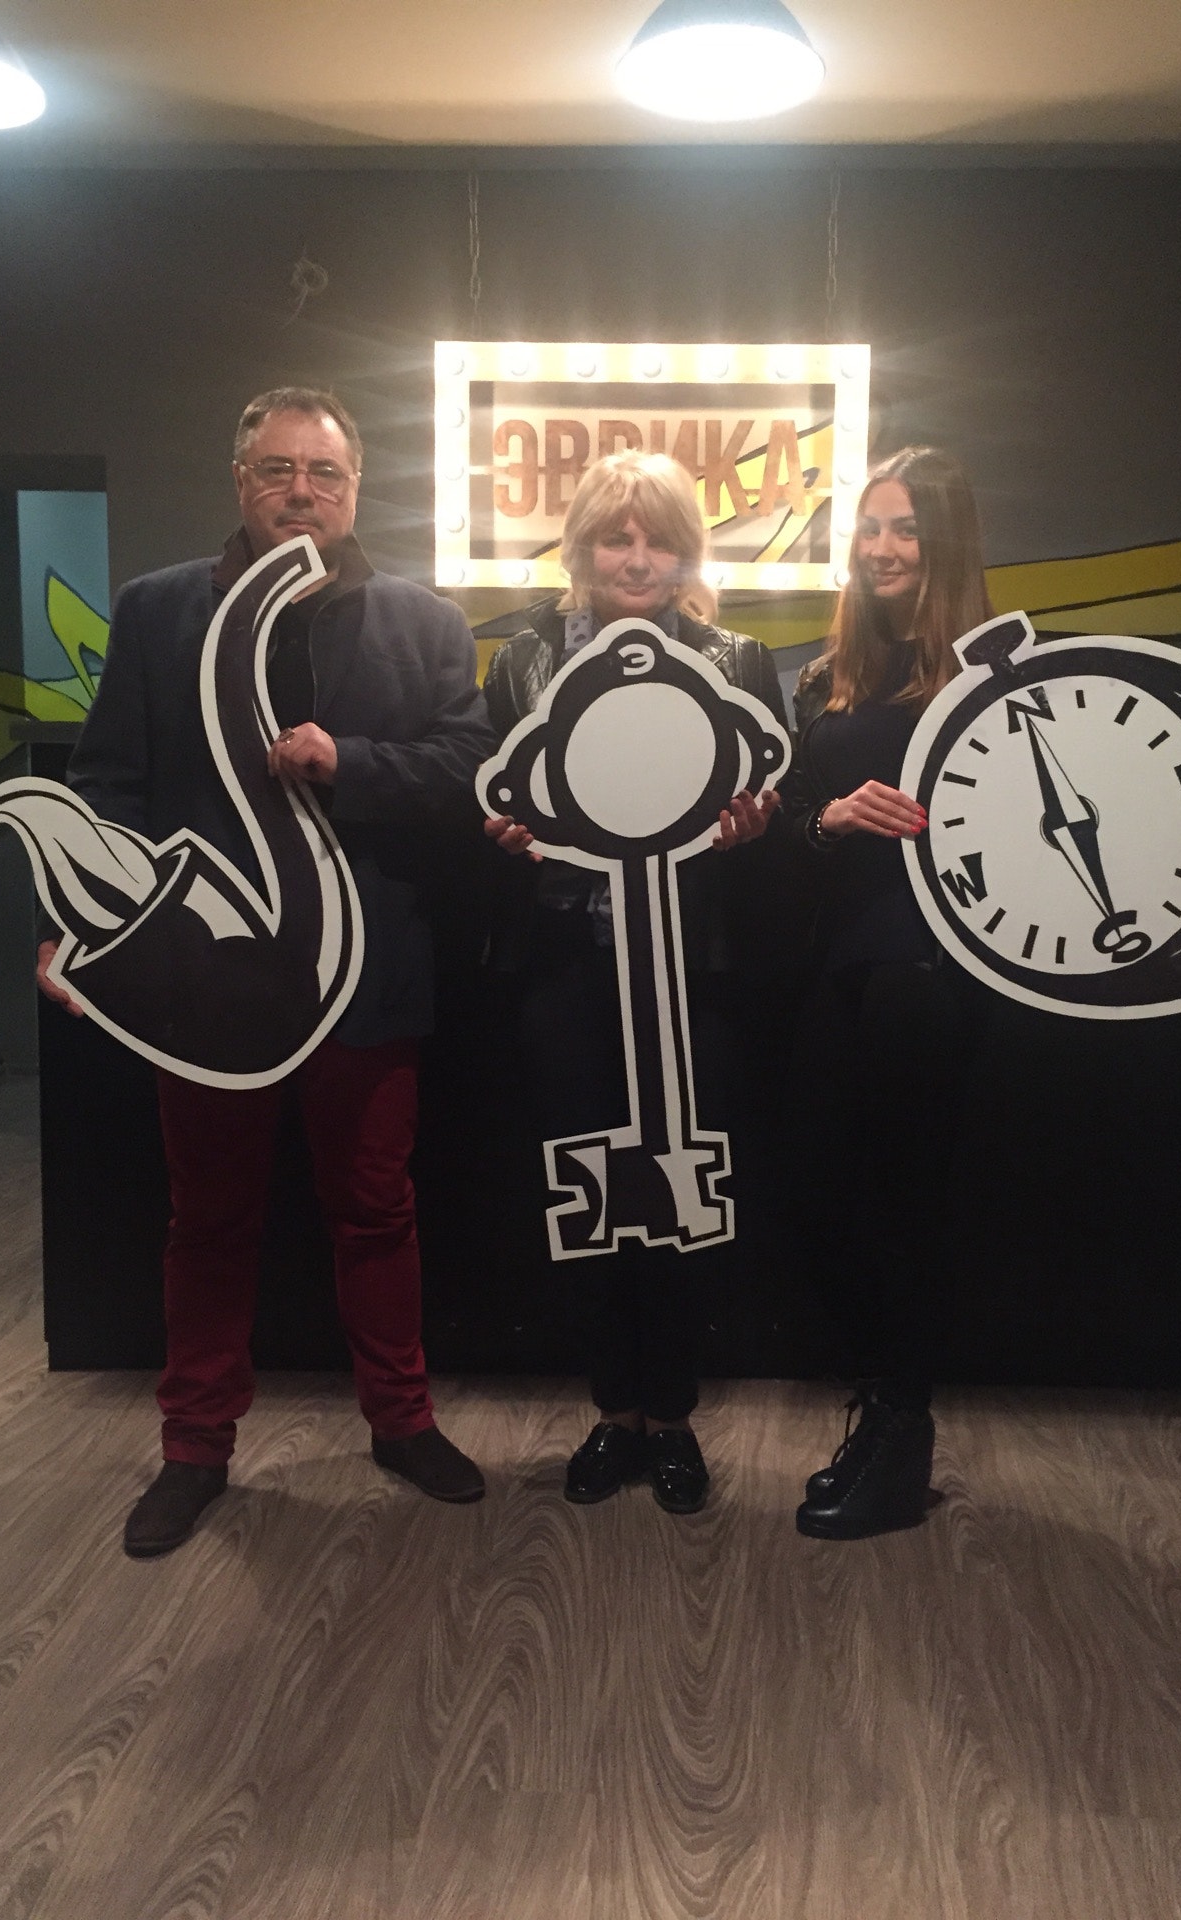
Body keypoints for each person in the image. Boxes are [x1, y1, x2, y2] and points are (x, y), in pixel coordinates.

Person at [38, 386, 494, 1557]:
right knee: (208, 1217)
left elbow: (468, 771)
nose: (302, 491)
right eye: (278, 470)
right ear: (241, 482)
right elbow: (109, 785)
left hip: (369, 974)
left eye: (324, 473)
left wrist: (354, 761)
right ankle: (195, 1448)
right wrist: (73, 920)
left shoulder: (426, 623)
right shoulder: (156, 610)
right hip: (201, 981)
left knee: (377, 1210)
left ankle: (401, 1423)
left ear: (355, 488)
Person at [482, 451, 786, 1515]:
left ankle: (673, 1415)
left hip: (694, 971)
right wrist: (503, 836)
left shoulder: (737, 660)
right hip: (569, 966)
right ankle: (614, 1410)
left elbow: (774, 810)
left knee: (684, 1190)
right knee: (589, 1189)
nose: (638, 559)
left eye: (660, 539)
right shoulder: (523, 660)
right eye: (617, 536)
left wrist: (754, 833)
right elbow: (494, 799)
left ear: (688, 553)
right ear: (581, 546)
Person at [783, 445, 994, 1542]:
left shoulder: (997, 675)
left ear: (946, 540)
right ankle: (880, 1407)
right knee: (821, 1198)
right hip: (841, 965)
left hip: (936, 973)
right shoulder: (829, 677)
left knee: (907, 1209)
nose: (882, 547)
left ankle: (902, 1435)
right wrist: (827, 819)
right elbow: (786, 829)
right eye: (870, 527)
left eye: (906, 527)